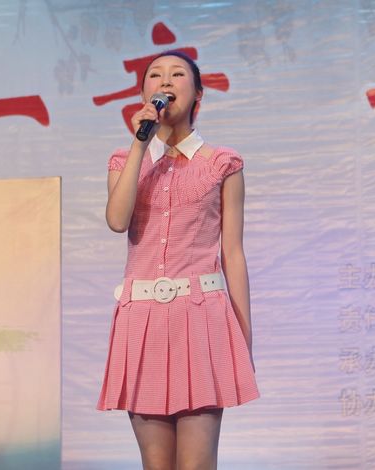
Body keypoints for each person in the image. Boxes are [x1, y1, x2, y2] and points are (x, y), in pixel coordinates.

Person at [97, 50, 259, 469]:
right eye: (155, 75)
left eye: (177, 74)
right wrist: (140, 144)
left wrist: (243, 337)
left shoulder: (221, 163)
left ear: (198, 94)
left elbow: (233, 253)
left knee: (196, 463)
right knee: (156, 464)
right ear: (144, 94)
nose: (165, 81)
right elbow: (117, 220)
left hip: (201, 318)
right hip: (142, 320)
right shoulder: (124, 161)